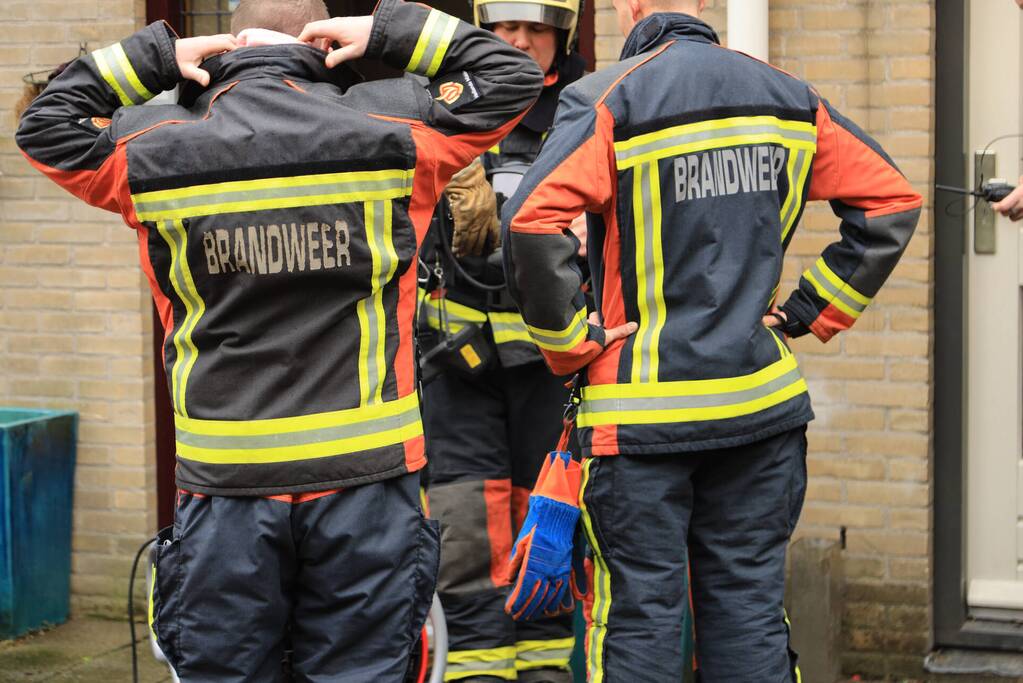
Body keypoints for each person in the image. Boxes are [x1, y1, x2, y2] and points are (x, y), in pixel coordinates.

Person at [16, 0, 542, 679]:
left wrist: (152, 56)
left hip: (226, 488)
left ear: (233, 38)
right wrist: (386, 32)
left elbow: (43, 124)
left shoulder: (151, 144)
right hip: (367, 483)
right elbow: (511, 77)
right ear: (321, 38)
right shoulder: (396, 127)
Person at [501, 0, 922, 680]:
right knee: (748, 609)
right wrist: (808, 308)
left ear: (630, 9)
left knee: (639, 618)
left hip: (640, 421)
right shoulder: (787, 96)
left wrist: (569, 342)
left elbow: (530, 220)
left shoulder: (607, 97)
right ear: (702, 9)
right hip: (760, 411)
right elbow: (891, 200)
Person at [417, 0, 587, 680]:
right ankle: (477, 670)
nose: (518, 43)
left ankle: (544, 669)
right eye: (505, 29)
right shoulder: (440, 108)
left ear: (560, 36)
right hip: (455, 366)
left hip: (550, 366)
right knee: (464, 535)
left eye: (535, 30)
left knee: (543, 532)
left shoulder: (584, 112)